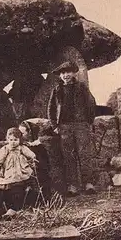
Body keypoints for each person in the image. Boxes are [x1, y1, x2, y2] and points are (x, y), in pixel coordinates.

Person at [47, 61, 96, 196]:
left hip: (81, 125)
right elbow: (51, 109)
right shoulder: (57, 90)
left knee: (84, 154)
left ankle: (88, 183)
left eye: (68, 72)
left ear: (74, 73)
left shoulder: (81, 87)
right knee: (69, 156)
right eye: (62, 73)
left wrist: (89, 122)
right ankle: (72, 185)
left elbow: (91, 104)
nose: (65, 75)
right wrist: (55, 126)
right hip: (64, 127)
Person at [0, 127, 37, 221]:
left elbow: (30, 154)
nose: (13, 142)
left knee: (17, 188)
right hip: (7, 170)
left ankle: (12, 210)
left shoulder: (22, 148)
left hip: (19, 171)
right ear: (7, 139)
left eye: (15, 140)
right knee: (0, 188)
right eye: (11, 140)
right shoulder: (5, 148)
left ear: (20, 140)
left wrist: (32, 159)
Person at [19, 120, 52, 204]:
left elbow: (45, 164)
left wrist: (34, 165)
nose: (20, 136)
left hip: (37, 173)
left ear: (30, 133)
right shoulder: (19, 146)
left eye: (23, 133)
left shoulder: (39, 147)